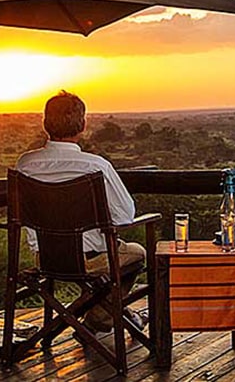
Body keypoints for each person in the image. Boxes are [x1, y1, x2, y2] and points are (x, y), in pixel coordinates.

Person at [15, 91, 143, 332]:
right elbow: (125, 215)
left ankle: (85, 317)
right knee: (137, 253)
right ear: (83, 125)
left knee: (114, 262)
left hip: (45, 259)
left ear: (45, 124)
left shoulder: (25, 164)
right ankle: (100, 318)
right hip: (92, 260)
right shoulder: (95, 166)